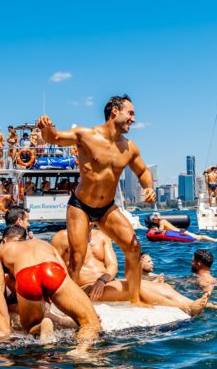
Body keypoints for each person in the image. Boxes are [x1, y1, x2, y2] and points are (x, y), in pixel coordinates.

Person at [37, 95, 156, 305]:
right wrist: (45, 127)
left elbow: (143, 171)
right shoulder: (86, 135)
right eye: (130, 113)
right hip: (81, 205)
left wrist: (149, 187)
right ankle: (70, 304)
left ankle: (135, 301)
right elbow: (54, 137)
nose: (134, 119)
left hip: (107, 208)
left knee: (134, 247)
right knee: (77, 256)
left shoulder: (129, 147)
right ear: (114, 112)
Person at [52, 226, 210, 315]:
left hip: (105, 283)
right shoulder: (62, 237)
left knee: (163, 287)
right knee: (132, 287)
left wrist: (102, 280)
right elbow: (55, 268)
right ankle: (186, 308)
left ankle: (196, 303)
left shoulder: (101, 236)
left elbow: (112, 266)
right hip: (85, 288)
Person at [0, 225, 101, 342]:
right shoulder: (42, 243)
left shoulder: (0, 251)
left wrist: (5, 327)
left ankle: (42, 325)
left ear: (3, 241)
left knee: (30, 328)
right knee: (90, 322)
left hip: (26, 276)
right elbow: (65, 274)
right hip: (52, 269)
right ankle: (82, 351)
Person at [149, 212, 217, 243]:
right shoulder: (162, 221)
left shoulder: (161, 221)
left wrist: (156, 229)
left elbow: (160, 230)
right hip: (180, 231)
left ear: (156, 219)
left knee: (199, 237)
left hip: (180, 232)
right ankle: (213, 240)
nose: (153, 220)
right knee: (198, 238)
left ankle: (214, 240)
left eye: (154, 219)